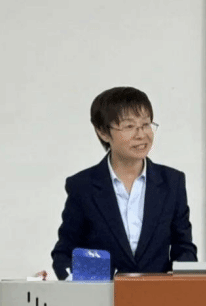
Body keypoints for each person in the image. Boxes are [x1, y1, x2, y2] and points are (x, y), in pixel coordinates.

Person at [51, 86, 197, 279]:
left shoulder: (172, 182)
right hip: (104, 295)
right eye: (129, 126)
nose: (141, 134)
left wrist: (176, 281)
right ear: (103, 132)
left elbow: (184, 249)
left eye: (146, 124)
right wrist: (93, 283)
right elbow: (65, 254)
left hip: (159, 294)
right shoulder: (83, 186)